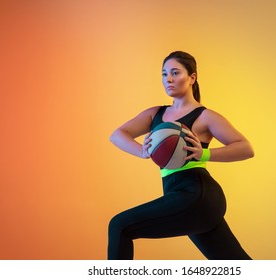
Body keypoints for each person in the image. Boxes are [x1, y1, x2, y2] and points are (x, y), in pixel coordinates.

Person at [108, 51, 254, 260]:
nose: (168, 79)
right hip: (180, 196)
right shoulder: (155, 114)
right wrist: (141, 150)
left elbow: (246, 148)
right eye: (164, 74)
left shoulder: (205, 116)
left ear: (192, 78)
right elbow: (117, 135)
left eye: (175, 73)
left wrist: (204, 153)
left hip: (197, 195)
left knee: (119, 226)